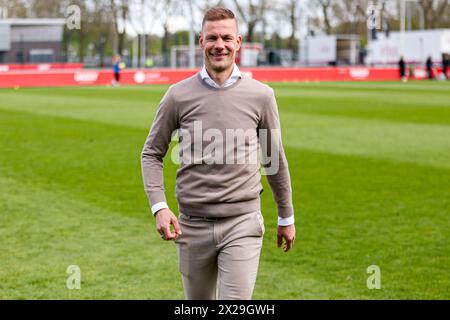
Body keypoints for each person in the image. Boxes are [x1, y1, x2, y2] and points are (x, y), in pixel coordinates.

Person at [141, 7, 295, 300]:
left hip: (243, 222)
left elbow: (274, 160)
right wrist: (159, 207)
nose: (219, 45)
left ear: (238, 42)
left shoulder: (262, 95)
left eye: (226, 38)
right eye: (212, 38)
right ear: (201, 41)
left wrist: (286, 217)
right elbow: (151, 153)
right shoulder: (177, 95)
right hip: (192, 226)